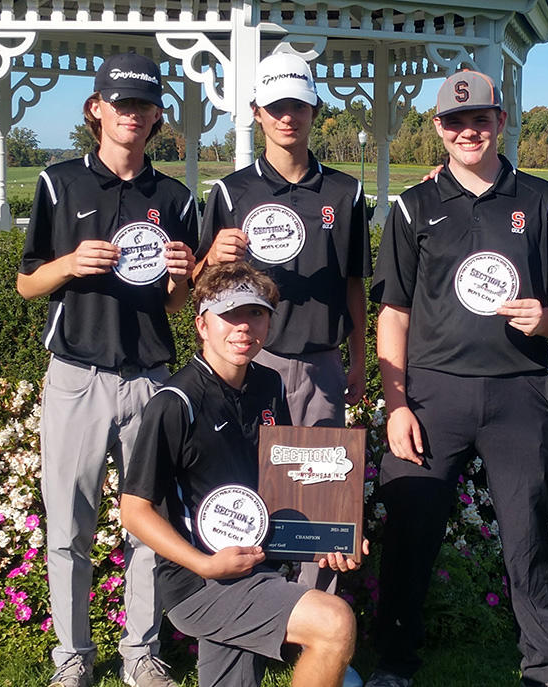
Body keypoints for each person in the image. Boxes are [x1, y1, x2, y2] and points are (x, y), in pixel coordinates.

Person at [367, 70, 548, 687]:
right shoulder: (415, 206)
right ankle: (395, 661)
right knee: (410, 527)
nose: (470, 131)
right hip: (434, 394)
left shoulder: (544, 202)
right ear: (439, 128)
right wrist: (397, 405)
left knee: (528, 532)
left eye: (481, 119)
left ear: (501, 121)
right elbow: (395, 312)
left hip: (519, 389)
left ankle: (546, 666)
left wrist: (545, 319)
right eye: (456, 122)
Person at [17, 52, 197, 687]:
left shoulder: (174, 197)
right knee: (69, 525)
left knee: (146, 524)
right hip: (77, 376)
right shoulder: (60, 182)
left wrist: (182, 280)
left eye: (144, 106)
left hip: (150, 376)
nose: (133, 115)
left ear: (156, 117)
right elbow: (26, 283)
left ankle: (141, 655)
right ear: (97, 109)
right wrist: (70, 264)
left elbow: (175, 304)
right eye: (121, 104)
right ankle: (72, 658)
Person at [192, 51, 371, 686]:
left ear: (313, 109)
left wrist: (358, 357)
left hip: (320, 362)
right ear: (257, 113)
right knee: (251, 492)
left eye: (298, 104)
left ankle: (310, 634)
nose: (287, 116)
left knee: (317, 499)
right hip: (253, 360)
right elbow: (201, 284)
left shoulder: (344, 191)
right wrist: (211, 255)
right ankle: (255, 622)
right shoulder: (230, 191)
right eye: (276, 106)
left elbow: (355, 283)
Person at [119, 261, 364, 687]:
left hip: (252, 566)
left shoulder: (268, 384)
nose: (243, 327)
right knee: (333, 622)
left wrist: (331, 536)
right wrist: (206, 565)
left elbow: (286, 481)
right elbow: (134, 510)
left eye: (255, 314)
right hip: (200, 581)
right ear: (201, 325)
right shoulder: (174, 402)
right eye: (228, 315)